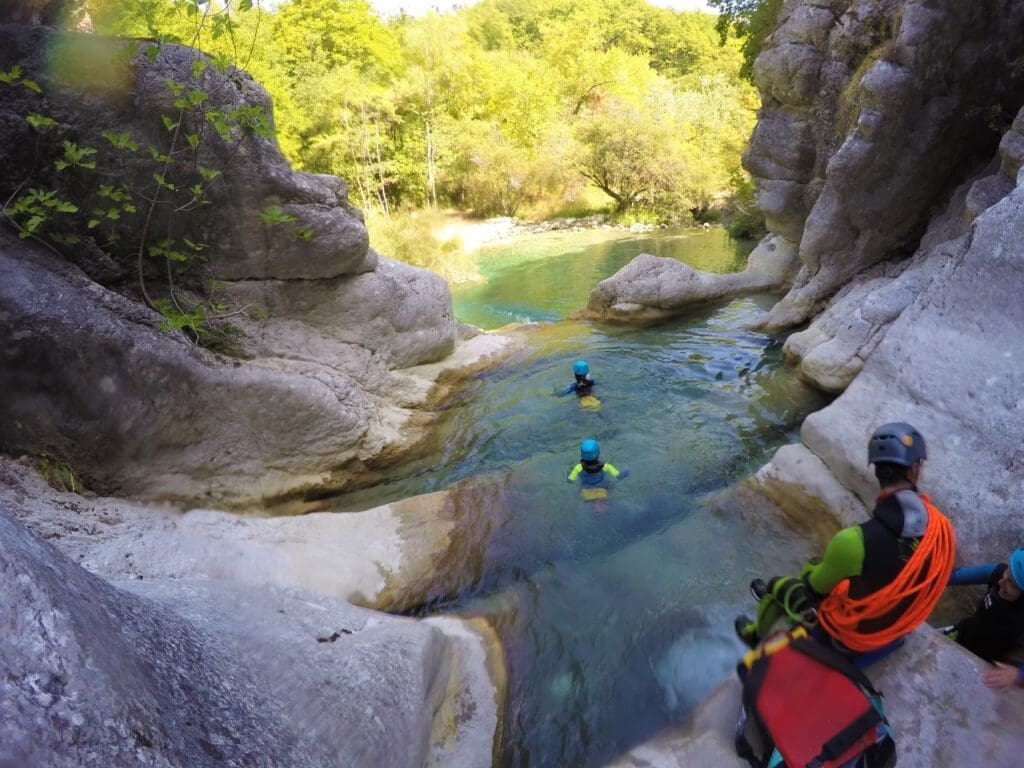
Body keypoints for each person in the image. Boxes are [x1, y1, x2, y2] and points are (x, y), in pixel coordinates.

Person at [735, 422, 956, 660]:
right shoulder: (939, 529)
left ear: (876, 471)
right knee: (846, 574)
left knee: (786, 584)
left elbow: (816, 587)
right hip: (899, 625)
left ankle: (755, 634)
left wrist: (814, 569)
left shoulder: (854, 540)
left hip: (853, 639)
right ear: (913, 471)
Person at [945, 548, 1024, 690]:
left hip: (985, 660)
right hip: (962, 632)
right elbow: (955, 577)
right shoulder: (998, 573)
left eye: (1011, 583)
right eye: (1008, 571)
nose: (1001, 582)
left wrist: (1018, 675)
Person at [566, 438, 626, 505]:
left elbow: (570, 480)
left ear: (582, 454)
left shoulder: (578, 467)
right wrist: (626, 472)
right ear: (598, 453)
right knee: (610, 485)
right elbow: (619, 476)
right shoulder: (605, 466)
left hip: (585, 492)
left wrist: (567, 473)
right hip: (602, 490)